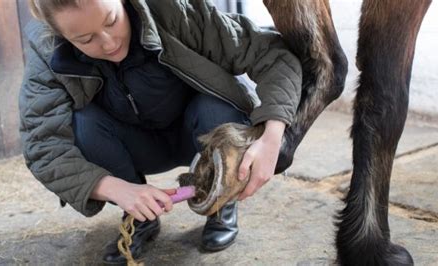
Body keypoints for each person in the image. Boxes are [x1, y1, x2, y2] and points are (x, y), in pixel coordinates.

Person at [20, 0, 302, 263]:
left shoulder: (173, 9)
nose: (108, 43)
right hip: (130, 145)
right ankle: (139, 216)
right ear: (59, 33)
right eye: (85, 39)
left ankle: (221, 200)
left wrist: (273, 135)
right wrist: (117, 190)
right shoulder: (46, 50)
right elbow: (42, 145)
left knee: (217, 106)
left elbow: (273, 55)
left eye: (112, 21)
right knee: (83, 124)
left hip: (198, 129)